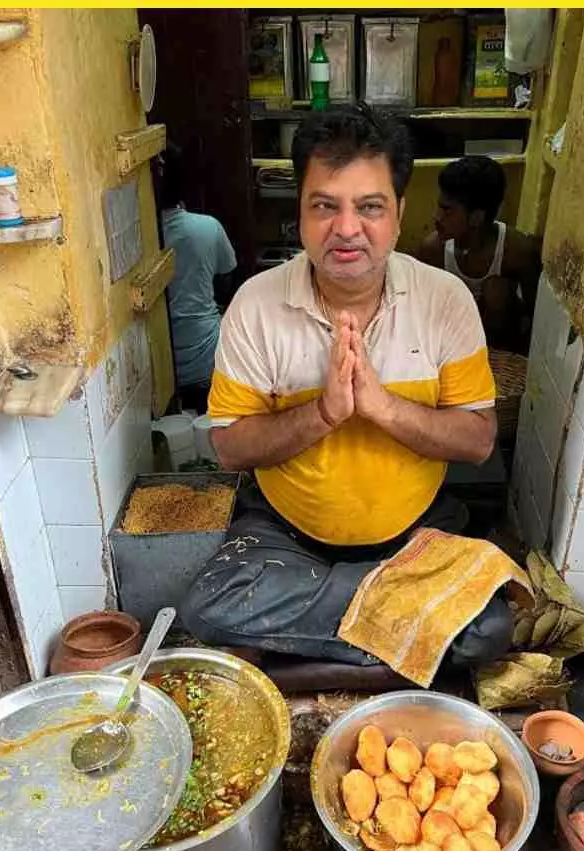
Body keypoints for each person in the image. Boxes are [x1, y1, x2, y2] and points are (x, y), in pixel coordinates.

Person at [179, 105, 513, 669]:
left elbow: (478, 441)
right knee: (209, 606)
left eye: (370, 207)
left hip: (413, 534)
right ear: (301, 214)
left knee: (491, 629)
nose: (347, 229)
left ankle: (327, 625)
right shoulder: (256, 305)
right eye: (325, 206)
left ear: (401, 214)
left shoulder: (444, 300)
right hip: (286, 535)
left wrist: (380, 405)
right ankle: (399, 628)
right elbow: (229, 446)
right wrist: (324, 413)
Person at [416, 155, 542, 354]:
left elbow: (538, 316)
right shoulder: (432, 251)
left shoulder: (517, 251)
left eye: (447, 211)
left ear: (476, 217)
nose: (436, 217)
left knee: (496, 291)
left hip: (497, 348)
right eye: (439, 207)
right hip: (452, 344)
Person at [154, 145, 239, 415]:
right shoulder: (206, 228)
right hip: (206, 356)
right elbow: (226, 282)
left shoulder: (141, 238)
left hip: (158, 368)